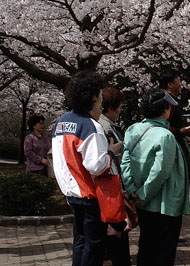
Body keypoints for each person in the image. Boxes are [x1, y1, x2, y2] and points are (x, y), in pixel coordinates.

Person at [52, 71, 123, 266]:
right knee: (94, 246)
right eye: (100, 95)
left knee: (80, 242)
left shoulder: (60, 123)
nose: (102, 99)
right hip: (90, 195)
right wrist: (110, 152)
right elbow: (96, 166)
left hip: (71, 192)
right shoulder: (91, 126)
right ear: (92, 97)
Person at [120, 88, 190, 266]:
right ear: (166, 110)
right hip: (164, 204)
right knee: (164, 251)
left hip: (141, 201)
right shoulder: (165, 136)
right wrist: (143, 194)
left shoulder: (133, 129)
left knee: (146, 245)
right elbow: (160, 172)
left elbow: (125, 161)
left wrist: (132, 190)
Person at [98, 87, 133, 266]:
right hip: (111, 186)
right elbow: (111, 162)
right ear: (110, 107)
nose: (120, 111)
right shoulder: (106, 128)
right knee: (116, 233)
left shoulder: (104, 124)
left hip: (109, 186)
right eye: (119, 107)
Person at [159, 71, 190, 161]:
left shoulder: (171, 100)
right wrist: (179, 131)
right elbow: (161, 124)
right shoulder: (167, 102)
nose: (181, 84)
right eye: (178, 81)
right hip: (171, 146)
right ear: (170, 84)